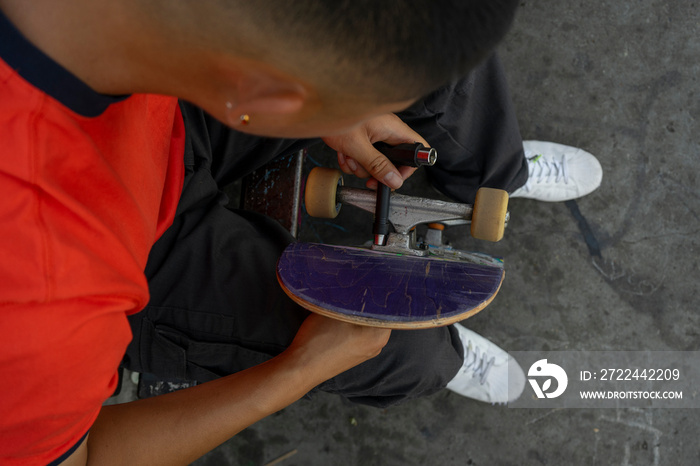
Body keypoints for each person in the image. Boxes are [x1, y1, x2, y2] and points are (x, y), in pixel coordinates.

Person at [0, 0, 602, 464]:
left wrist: (331, 99)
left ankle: (488, 175)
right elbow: (90, 456)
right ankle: (439, 349)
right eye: (338, 109)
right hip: (130, 254)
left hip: (183, 96)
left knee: (428, 34)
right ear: (269, 96)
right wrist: (296, 372)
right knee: (401, 352)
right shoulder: (39, 311)